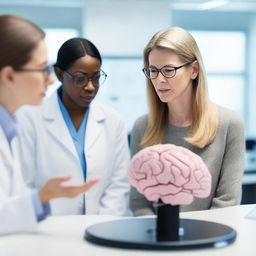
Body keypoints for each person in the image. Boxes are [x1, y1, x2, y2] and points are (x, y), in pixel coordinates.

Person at [0, 15, 100, 235]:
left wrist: (42, 197)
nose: (51, 80)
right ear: (9, 76)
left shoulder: (9, 127)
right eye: (41, 69)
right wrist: (40, 198)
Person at [130, 27, 245, 216]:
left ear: (194, 69)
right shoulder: (142, 126)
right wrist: (161, 235)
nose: (159, 80)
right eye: (153, 70)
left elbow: (228, 201)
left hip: (208, 237)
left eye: (168, 70)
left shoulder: (230, 123)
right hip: (158, 239)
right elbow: (138, 201)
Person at [17, 37, 130, 216]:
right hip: (49, 229)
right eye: (80, 79)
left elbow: (119, 183)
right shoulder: (30, 118)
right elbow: (23, 182)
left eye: (96, 78)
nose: (90, 87)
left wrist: (103, 223)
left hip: (102, 228)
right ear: (60, 74)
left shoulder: (113, 121)